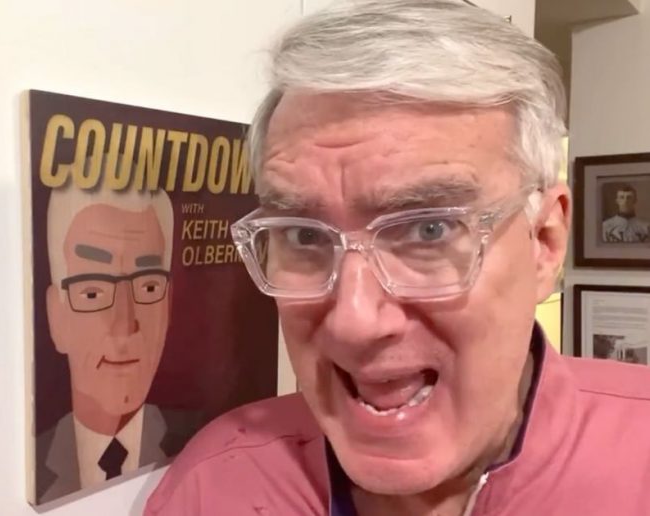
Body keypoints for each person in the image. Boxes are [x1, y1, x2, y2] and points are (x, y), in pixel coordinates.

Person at [144, 1, 650, 515]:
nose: (354, 323)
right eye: (304, 235)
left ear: (544, 242)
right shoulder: (216, 488)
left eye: (429, 230)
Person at [36, 180, 175, 503]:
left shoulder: (202, 440)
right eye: (92, 292)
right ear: (57, 318)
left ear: (168, 307)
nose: (124, 325)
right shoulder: (27, 466)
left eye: (149, 287)